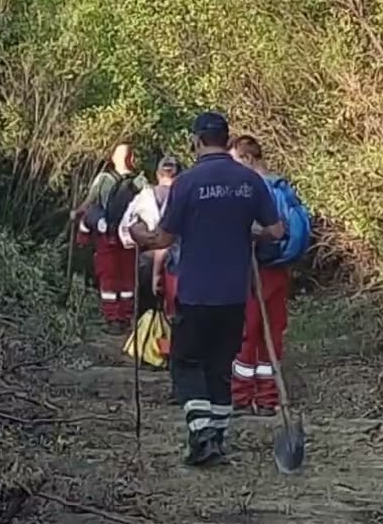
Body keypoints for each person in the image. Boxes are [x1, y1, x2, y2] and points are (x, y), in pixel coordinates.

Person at [130, 113, 284, 466]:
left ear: (197, 141)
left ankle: (202, 437)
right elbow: (276, 231)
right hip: (234, 293)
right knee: (219, 367)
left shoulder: (187, 182)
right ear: (226, 139)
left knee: (186, 363)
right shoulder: (249, 181)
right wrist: (249, 230)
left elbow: (163, 238)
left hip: (196, 292)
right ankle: (217, 437)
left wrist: (139, 234)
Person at [229, 135, 294, 417]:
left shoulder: (252, 189)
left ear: (246, 159)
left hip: (256, 268)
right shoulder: (283, 186)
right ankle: (268, 398)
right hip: (280, 266)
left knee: (247, 331)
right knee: (272, 333)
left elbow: (262, 228)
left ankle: (242, 396)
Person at [72, 144, 148, 333]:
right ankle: (126, 318)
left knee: (109, 279)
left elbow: (90, 203)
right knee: (128, 279)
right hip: (130, 238)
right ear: (132, 159)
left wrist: (76, 214)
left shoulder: (103, 179)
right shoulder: (141, 182)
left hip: (107, 236)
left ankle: (113, 319)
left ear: (113, 158)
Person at [150, 156, 181, 319]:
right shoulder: (187, 194)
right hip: (191, 267)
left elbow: (163, 242)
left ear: (158, 174)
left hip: (169, 263)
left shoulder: (150, 195)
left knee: (172, 315)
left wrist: (155, 274)